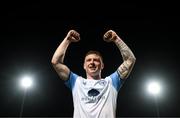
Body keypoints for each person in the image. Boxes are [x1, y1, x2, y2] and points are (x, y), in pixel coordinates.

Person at [51, 29, 136, 118]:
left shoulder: (111, 82)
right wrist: (67, 40)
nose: (92, 62)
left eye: (96, 60)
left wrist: (116, 39)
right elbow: (55, 62)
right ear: (84, 65)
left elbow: (130, 60)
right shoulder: (76, 82)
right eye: (88, 60)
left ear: (102, 65)